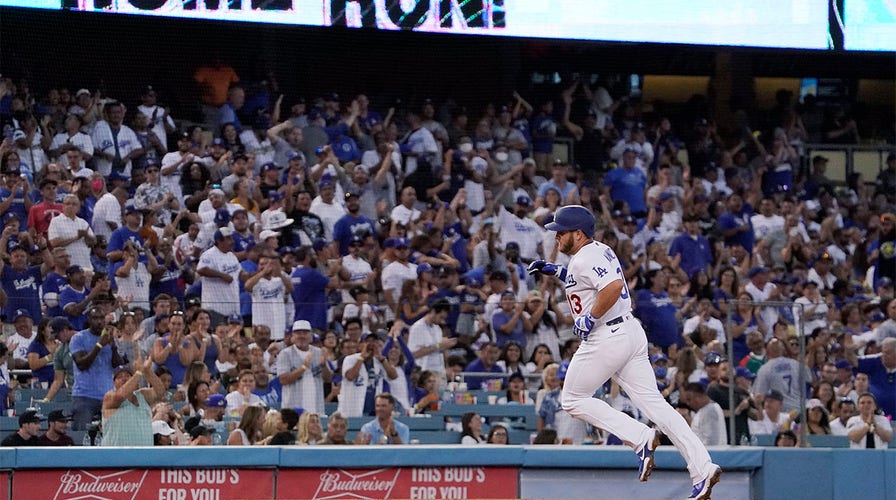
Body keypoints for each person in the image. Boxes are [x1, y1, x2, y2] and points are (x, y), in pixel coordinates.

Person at [528, 205, 720, 499]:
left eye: (561, 232)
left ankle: (640, 436)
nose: (556, 237)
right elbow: (587, 281)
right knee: (657, 407)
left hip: (607, 336)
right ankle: (702, 468)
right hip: (629, 332)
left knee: (572, 399)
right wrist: (556, 271)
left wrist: (590, 317)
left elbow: (613, 286)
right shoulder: (595, 250)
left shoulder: (586, 256)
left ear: (578, 234)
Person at [70, 306, 127, 430]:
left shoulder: (109, 337)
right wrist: (100, 345)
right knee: (82, 435)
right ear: (89, 319)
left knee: (110, 433)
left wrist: (113, 347)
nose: (99, 321)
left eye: (102, 318)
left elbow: (118, 366)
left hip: (107, 395)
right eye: (95, 318)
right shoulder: (78, 338)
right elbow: (82, 364)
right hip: (84, 396)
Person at [101, 354, 167, 447]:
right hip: (116, 458)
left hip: (143, 457)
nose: (124, 379)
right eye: (119, 377)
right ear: (114, 383)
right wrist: (138, 372)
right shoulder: (110, 397)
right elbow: (121, 395)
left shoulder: (142, 396)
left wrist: (147, 371)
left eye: (128, 376)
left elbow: (160, 392)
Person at [277, 320, 331, 415]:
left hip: (316, 409)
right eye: (298, 333)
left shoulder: (318, 352)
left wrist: (323, 365)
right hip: (292, 411)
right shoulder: (285, 354)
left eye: (305, 333)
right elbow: (283, 380)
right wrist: (303, 367)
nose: (302, 336)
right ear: (293, 336)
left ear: (310, 336)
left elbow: (328, 379)